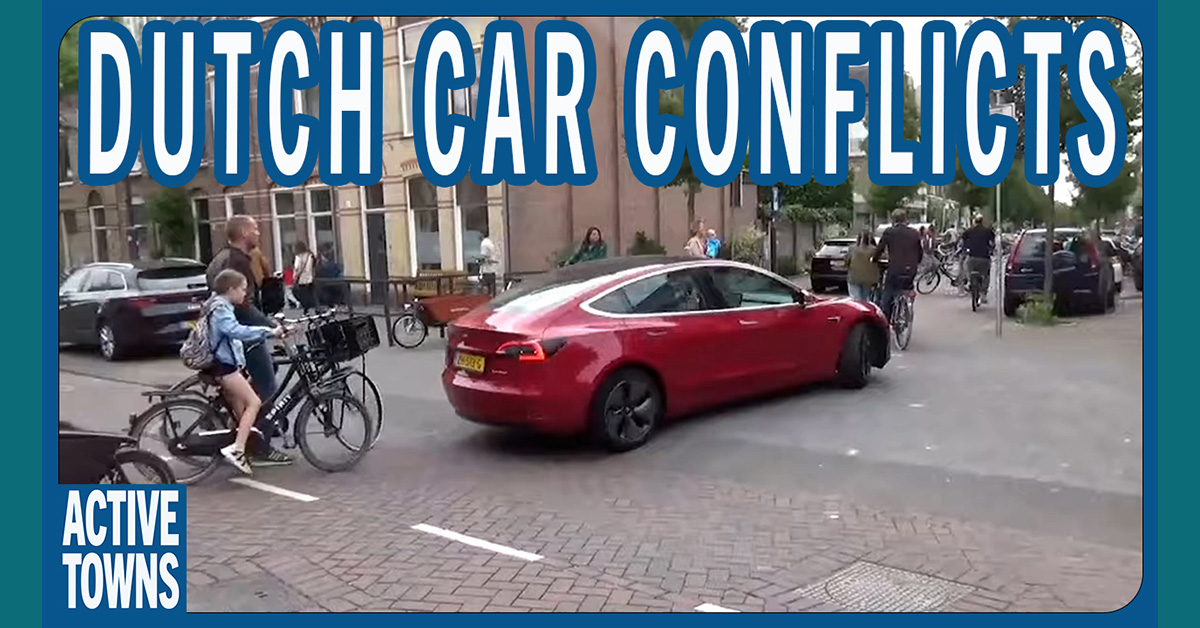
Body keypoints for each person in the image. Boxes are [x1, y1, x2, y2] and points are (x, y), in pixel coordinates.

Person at [205, 216, 292, 466]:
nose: (259, 233)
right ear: (243, 232)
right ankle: (259, 445)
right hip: (242, 336)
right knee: (267, 385)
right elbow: (243, 306)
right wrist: (271, 326)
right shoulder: (237, 262)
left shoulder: (219, 258)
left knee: (269, 369)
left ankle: (242, 426)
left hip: (230, 336)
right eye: (255, 229)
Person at [872, 209, 924, 323]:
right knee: (907, 287)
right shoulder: (914, 233)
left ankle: (886, 322)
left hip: (895, 269)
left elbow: (879, 249)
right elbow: (920, 252)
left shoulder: (889, 232)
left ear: (893, 220)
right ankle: (907, 306)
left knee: (888, 294)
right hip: (911, 269)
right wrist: (917, 262)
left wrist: (874, 259)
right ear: (906, 219)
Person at [960, 213, 996, 303]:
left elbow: (963, 239)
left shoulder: (970, 230)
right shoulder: (987, 231)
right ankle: (983, 294)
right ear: (982, 221)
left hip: (972, 256)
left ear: (974, 221)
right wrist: (991, 249)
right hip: (984, 257)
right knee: (986, 275)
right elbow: (993, 241)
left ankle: (969, 281)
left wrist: (965, 247)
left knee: (966, 266)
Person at [847, 231, 881, 303]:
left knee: (855, 299)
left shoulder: (852, 249)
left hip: (854, 277)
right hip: (868, 279)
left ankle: (857, 312)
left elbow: (847, 261)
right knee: (865, 299)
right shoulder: (874, 250)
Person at [292, 241, 317, 313]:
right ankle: (313, 308)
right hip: (310, 278)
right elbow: (313, 266)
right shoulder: (310, 255)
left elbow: (297, 268)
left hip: (302, 280)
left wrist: (295, 277)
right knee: (310, 294)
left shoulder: (298, 257)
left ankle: (306, 309)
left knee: (299, 294)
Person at [478, 227, 500, 293]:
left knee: (487, 289)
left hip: (487, 270)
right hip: (492, 269)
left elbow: (484, 256)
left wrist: (479, 261)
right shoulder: (490, 242)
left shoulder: (484, 244)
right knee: (493, 287)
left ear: (482, 234)